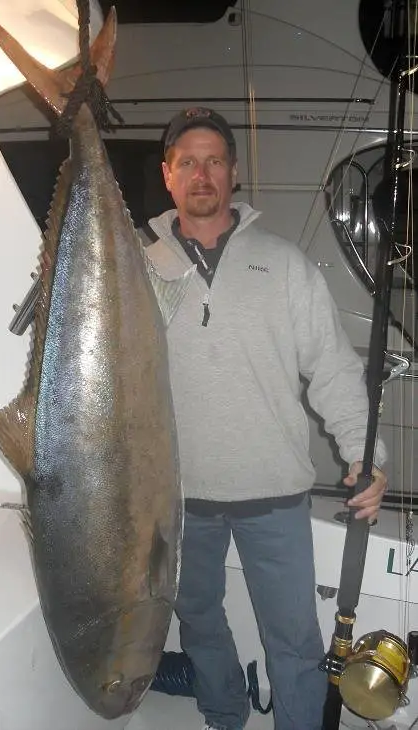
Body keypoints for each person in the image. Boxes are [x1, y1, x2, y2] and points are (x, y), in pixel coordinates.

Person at [141, 107, 388, 730]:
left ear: (234, 173)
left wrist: (364, 455)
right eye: (188, 162)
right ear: (167, 176)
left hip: (273, 492)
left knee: (294, 641)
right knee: (197, 622)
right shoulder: (136, 271)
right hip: (177, 498)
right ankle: (224, 716)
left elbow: (332, 367)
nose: (202, 174)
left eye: (215, 161)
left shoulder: (283, 265)